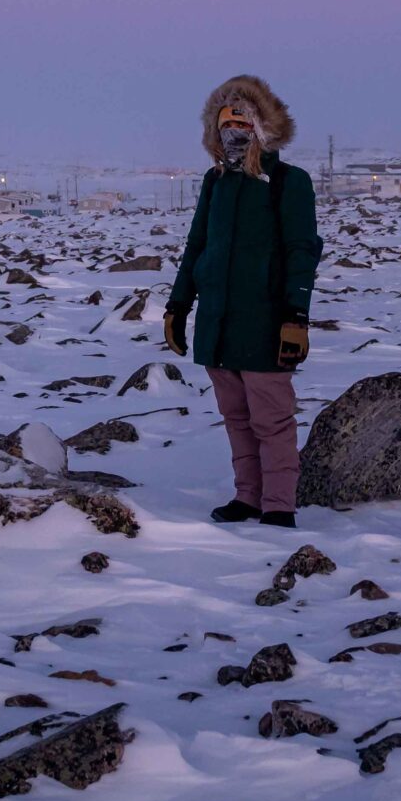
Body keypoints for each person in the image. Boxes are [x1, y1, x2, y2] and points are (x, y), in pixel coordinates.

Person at [164, 75, 323, 528]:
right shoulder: (215, 184)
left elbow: (301, 252)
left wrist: (296, 316)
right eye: (225, 126)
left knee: (271, 421)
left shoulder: (288, 183)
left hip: (266, 321)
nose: (233, 134)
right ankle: (247, 497)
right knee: (236, 418)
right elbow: (197, 248)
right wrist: (179, 307)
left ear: (263, 129)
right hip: (219, 321)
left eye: (242, 124)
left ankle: (278, 505)